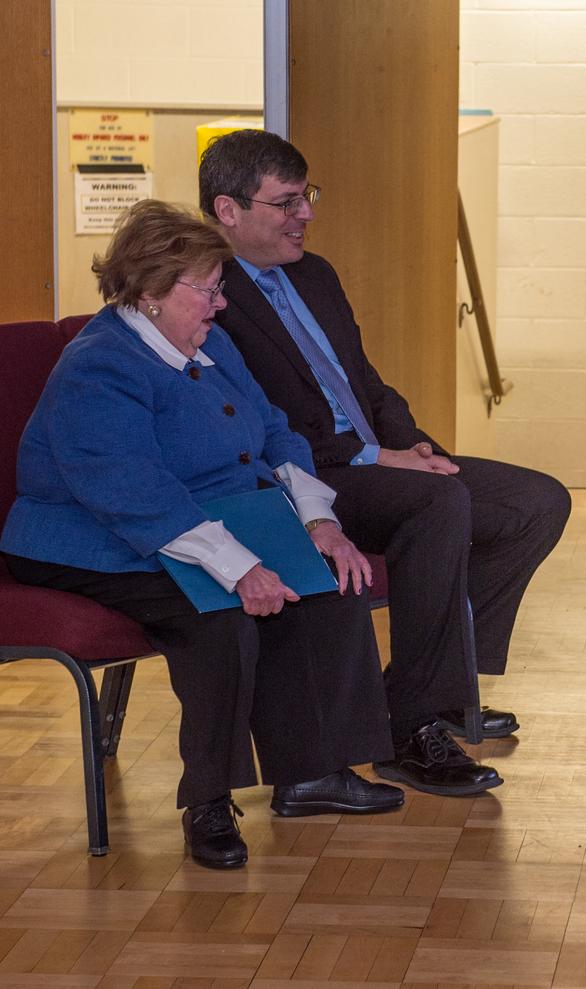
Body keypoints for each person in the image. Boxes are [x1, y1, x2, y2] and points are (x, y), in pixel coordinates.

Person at [0, 201, 403, 870]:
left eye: (220, 287)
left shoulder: (210, 341)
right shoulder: (99, 366)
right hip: (89, 539)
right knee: (218, 616)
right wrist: (237, 566)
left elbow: (273, 428)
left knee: (327, 582)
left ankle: (313, 772)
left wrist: (318, 521)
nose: (220, 304)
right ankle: (209, 801)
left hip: (198, 517)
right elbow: (131, 493)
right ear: (152, 290)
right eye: (209, 289)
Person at [197, 130, 571, 798]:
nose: (305, 214)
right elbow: (266, 426)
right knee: (437, 504)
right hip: (306, 477)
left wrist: (414, 445)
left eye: (305, 197)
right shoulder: (206, 296)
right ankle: (412, 729)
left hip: (376, 458)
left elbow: (365, 385)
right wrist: (377, 456)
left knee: (535, 502)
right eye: (286, 203)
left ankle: (442, 689)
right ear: (229, 211)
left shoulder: (315, 274)